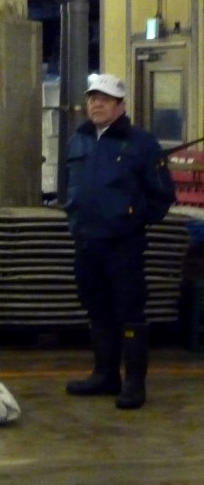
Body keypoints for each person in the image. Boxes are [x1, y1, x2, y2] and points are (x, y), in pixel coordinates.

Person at [63, 73, 175, 410]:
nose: (96, 104)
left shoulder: (141, 143)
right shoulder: (79, 140)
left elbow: (161, 195)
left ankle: (134, 383)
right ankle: (105, 375)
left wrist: (132, 219)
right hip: (87, 241)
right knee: (97, 309)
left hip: (123, 244)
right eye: (93, 98)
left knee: (129, 311)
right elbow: (70, 184)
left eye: (105, 99)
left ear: (120, 106)